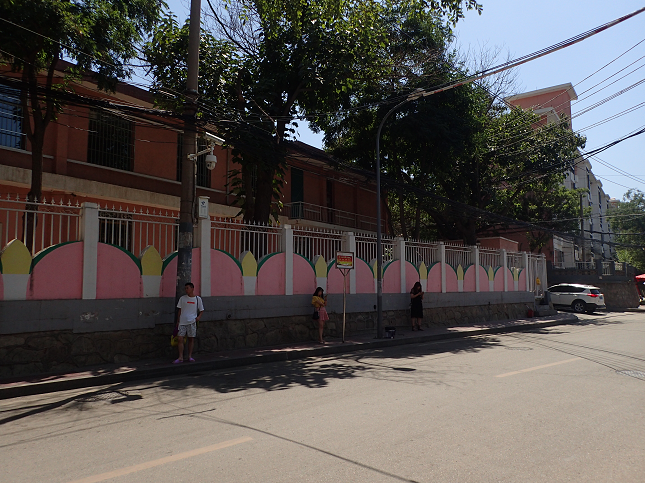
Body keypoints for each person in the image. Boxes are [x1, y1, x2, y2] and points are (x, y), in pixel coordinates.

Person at [174, 282, 204, 363]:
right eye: (185, 288)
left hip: (192, 321)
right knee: (180, 338)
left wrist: (198, 318)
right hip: (182, 322)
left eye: (188, 288)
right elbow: (179, 310)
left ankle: (190, 356)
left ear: (192, 288)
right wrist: (178, 321)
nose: (186, 290)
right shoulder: (182, 298)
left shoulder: (197, 299)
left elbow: (201, 310)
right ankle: (180, 357)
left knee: (191, 339)